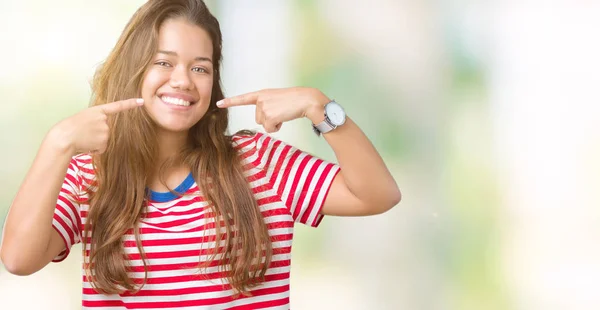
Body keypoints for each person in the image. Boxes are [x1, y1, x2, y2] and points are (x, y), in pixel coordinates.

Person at [0, 0, 401, 308]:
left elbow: (378, 194)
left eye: (201, 68)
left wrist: (319, 106)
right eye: (163, 62)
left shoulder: (257, 162)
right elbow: (18, 259)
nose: (183, 81)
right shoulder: (90, 176)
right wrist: (57, 143)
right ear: (133, 70)